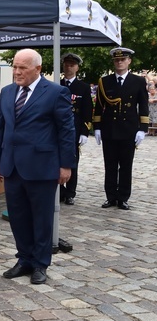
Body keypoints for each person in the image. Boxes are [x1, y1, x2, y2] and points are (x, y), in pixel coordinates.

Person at [0, 49, 76, 285]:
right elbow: (1, 129)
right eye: (15, 67)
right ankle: (25, 259)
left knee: (41, 217)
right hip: (12, 166)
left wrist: (66, 165)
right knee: (17, 217)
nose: (17, 72)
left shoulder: (56, 92)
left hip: (42, 166)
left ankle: (40, 263)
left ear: (37, 69)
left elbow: (66, 131)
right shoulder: (7, 92)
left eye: (22, 68)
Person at [93, 47, 149, 210]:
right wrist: (97, 127)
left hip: (128, 129)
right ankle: (110, 197)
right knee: (110, 165)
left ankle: (123, 197)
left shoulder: (138, 81)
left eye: (123, 59)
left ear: (129, 61)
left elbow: (143, 105)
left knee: (126, 165)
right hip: (109, 128)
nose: (119, 62)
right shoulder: (105, 81)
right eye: (117, 60)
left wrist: (142, 128)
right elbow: (99, 106)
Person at [59, 52, 92, 207]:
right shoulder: (56, 85)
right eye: (66, 64)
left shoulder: (83, 88)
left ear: (77, 67)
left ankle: (70, 193)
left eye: (72, 64)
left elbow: (87, 111)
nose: (68, 67)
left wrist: (85, 132)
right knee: (56, 161)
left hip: (74, 129)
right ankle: (59, 191)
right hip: (57, 130)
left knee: (72, 162)